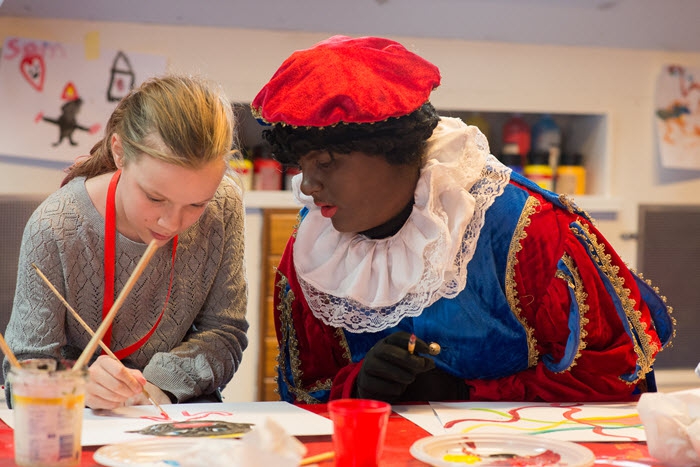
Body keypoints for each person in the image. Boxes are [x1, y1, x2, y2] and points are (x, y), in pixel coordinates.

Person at [251, 35, 675, 404]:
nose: (308, 187)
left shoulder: (527, 229)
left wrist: (464, 394)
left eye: (325, 163)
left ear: (393, 150)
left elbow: (615, 379)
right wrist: (358, 387)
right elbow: (305, 393)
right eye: (300, 167)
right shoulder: (317, 250)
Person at [3, 74, 249, 409]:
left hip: (176, 413)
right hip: (80, 419)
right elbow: (22, 371)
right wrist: (76, 386)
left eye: (196, 204)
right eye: (154, 197)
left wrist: (156, 386)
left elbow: (225, 335)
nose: (172, 223)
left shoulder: (223, 203)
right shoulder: (56, 226)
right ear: (120, 152)